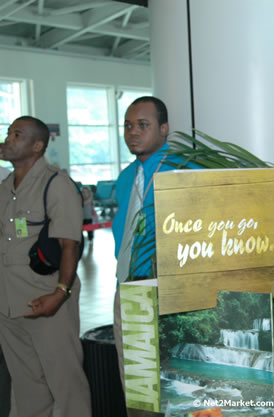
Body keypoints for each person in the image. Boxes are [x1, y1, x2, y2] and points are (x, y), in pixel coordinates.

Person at [0, 116, 91, 416]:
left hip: (46, 296)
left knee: (64, 380)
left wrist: (60, 292)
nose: (8, 139)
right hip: (9, 303)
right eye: (8, 133)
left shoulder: (56, 183)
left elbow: (70, 245)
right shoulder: (4, 188)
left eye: (17, 135)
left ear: (37, 146)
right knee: (26, 382)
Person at [112, 96, 190, 387]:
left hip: (169, 291)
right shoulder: (125, 178)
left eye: (143, 125)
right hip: (128, 288)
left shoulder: (186, 170)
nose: (133, 132)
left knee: (174, 383)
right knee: (136, 383)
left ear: (164, 128)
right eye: (128, 126)